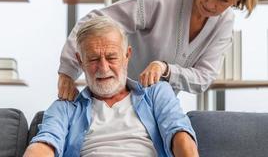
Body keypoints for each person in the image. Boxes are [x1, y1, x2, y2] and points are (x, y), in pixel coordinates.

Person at [57, 0, 258, 101]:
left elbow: (204, 77)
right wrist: (67, 71)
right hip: (112, 97)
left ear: (237, 1)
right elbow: (96, 22)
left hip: (155, 108)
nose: (210, 2)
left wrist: (166, 69)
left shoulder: (225, 23)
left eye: (223, 0)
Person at [24, 17, 198, 157]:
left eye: (111, 57)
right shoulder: (65, 107)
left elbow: (179, 132)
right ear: (80, 61)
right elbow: (46, 142)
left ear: (127, 55)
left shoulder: (156, 93)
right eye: (93, 59)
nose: (103, 68)